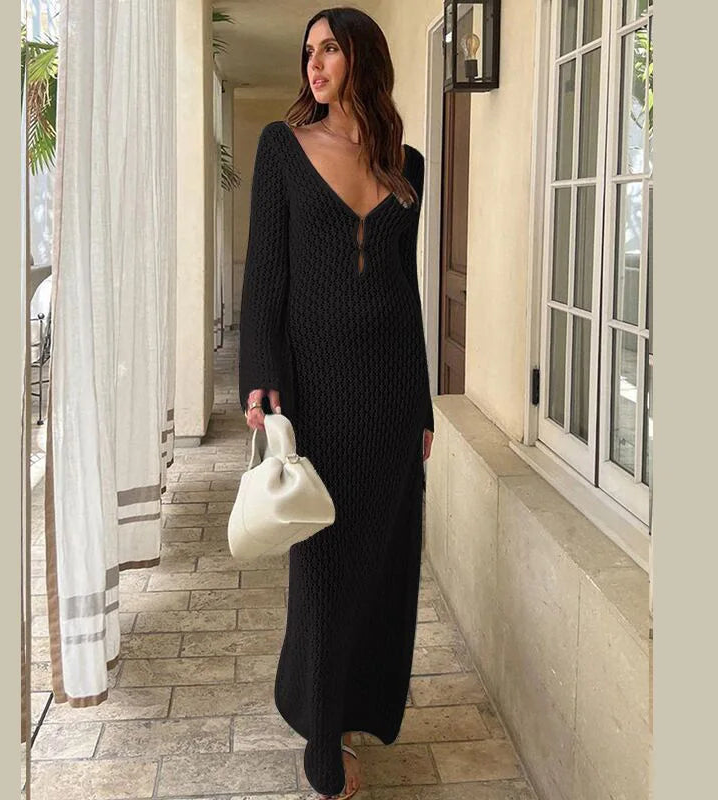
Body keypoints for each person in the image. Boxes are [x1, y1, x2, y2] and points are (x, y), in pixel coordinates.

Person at [238, 7, 434, 799]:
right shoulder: (282, 148)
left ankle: (348, 708)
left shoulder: (406, 164)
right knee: (322, 567)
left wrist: (422, 404)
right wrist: (260, 374)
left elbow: (406, 292)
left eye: (329, 49)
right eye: (307, 51)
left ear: (362, 58)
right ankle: (322, 740)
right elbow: (265, 276)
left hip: (389, 398)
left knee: (380, 565)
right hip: (315, 395)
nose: (313, 64)